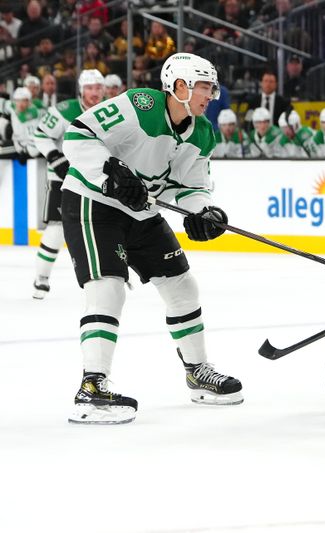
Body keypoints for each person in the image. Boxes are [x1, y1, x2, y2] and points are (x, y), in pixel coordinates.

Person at [60, 52, 243, 424]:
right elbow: (77, 136)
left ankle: (197, 372)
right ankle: (92, 386)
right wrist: (109, 171)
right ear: (179, 86)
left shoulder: (204, 132)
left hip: (142, 213)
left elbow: (191, 186)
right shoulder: (139, 105)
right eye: (204, 87)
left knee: (182, 286)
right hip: (92, 201)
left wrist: (204, 211)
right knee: (107, 286)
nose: (211, 94)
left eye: (211, 86)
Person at [31, 69, 105, 300]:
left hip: (94, 179)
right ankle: (41, 277)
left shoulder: (108, 111)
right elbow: (40, 134)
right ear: (81, 90)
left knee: (104, 228)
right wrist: (56, 158)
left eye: (98, 88)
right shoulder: (65, 111)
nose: (94, 92)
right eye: (89, 88)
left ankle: (108, 276)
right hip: (62, 179)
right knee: (56, 229)